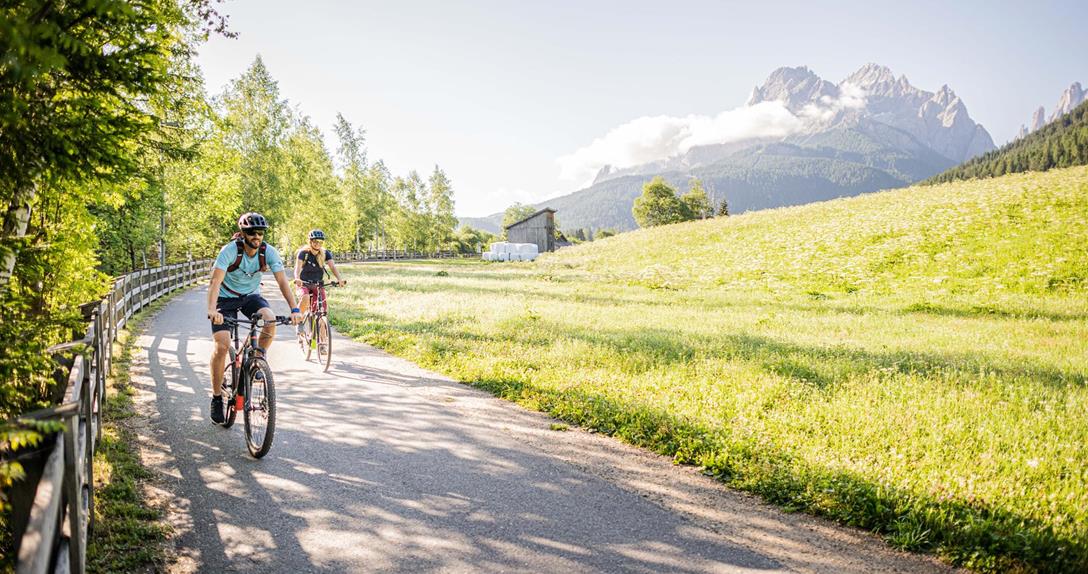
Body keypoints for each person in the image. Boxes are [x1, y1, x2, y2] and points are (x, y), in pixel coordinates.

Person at [206, 212, 302, 424]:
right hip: (225, 298)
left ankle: (257, 357)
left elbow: (283, 282)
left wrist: (295, 309)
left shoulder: (269, 252)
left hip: (250, 296)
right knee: (222, 345)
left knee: (269, 319)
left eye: (260, 232)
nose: (256, 236)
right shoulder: (230, 251)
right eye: (251, 232)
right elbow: (214, 282)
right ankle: (215, 398)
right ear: (243, 234)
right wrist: (213, 310)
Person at [293, 229, 346, 317]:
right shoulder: (303, 253)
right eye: (315, 241)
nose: (317, 243)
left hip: (318, 284)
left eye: (320, 241)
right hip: (303, 283)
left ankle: (322, 329)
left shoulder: (325, 253)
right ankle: (299, 322)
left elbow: (332, 267)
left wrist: (339, 279)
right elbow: (297, 268)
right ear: (310, 241)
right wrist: (297, 278)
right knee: (305, 298)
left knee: (323, 310)